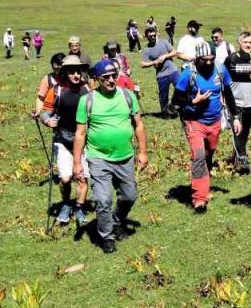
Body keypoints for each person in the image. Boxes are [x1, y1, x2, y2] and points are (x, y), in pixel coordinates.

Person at [73, 58, 148, 253]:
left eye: (114, 75)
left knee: (130, 196)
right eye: (106, 77)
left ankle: (116, 221)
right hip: (98, 157)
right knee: (103, 199)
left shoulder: (127, 96)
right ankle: (106, 236)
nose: (111, 80)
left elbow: (138, 124)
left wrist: (142, 151)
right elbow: (80, 133)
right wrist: (77, 164)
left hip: (125, 156)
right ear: (97, 79)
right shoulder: (87, 100)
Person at [173, 41, 236, 211]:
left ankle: (204, 185)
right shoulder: (188, 74)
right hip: (194, 121)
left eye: (211, 59)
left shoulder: (220, 69)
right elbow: (175, 101)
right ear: (197, 58)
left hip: (214, 122)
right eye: (204, 60)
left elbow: (228, 93)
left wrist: (235, 116)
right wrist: (194, 101)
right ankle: (199, 198)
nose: (208, 63)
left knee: (208, 155)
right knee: (199, 156)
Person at [38, 54, 91, 226]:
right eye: (72, 72)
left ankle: (79, 207)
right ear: (65, 73)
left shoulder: (87, 89)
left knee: (82, 178)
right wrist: (47, 120)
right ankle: (66, 204)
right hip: (62, 138)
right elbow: (45, 110)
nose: (76, 75)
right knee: (66, 178)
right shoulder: (57, 90)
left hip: (83, 140)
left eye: (78, 71)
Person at [224, 31, 251, 173]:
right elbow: (224, 81)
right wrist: (223, 99)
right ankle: (243, 161)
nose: (248, 45)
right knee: (237, 132)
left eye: (250, 42)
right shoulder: (231, 59)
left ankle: (236, 158)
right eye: (245, 42)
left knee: (244, 133)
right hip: (236, 104)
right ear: (239, 43)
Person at [140, 25, 180, 116]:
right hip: (161, 75)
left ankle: (175, 105)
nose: (153, 37)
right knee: (163, 96)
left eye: (154, 35)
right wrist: (154, 62)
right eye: (150, 36)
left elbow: (174, 52)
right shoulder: (147, 50)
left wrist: (165, 56)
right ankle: (165, 113)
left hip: (173, 70)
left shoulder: (163, 42)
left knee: (181, 88)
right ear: (147, 37)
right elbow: (142, 64)